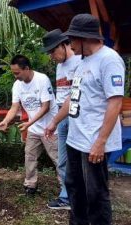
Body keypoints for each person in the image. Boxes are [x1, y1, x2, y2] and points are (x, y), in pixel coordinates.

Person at [45, 14, 125, 225]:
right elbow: (72, 96)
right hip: (75, 138)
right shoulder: (82, 62)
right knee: (74, 186)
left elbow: (115, 102)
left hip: (93, 141)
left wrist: (100, 142)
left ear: (83, 37)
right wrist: (54, 122)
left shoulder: (109, 60)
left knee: (96, 193)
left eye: (71, 39)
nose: (70, 44)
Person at [0, 55, 59, 196]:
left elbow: (46, 107)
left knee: (58, 158)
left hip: (51, 127)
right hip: (33, 128)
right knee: (29, 156)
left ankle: (67, 188)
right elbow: (14, 107)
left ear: (27, 68)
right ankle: (30, 185)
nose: (15, 76)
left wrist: (29, 123)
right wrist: (6, 121)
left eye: (17, 73)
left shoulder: (42, 80)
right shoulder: (17, 85)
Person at [42, 29, 81, 210]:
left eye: (52, 51)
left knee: (78, 160)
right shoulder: (60, 65)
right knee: (63, 160)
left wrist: (54, 121)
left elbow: (72, 97)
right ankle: (67, 197)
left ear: (63, 45)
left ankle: (80, 197)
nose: (51, 56)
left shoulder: (79, 62)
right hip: (61, 116)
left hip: (74, 116)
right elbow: (61, 95)